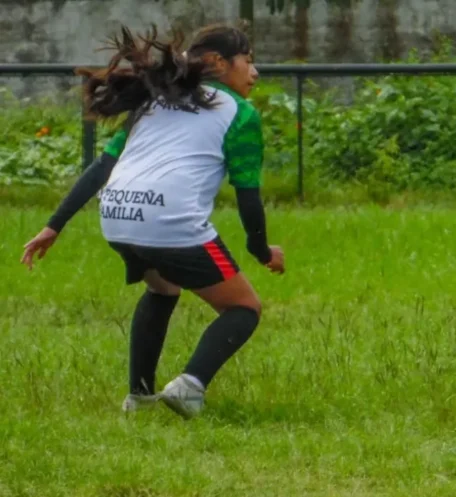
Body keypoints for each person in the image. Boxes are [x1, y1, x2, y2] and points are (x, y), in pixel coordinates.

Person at [20, 23, 284, 420]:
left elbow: (102, 167)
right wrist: (262, 250)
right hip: (170, 219)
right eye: (249, 60)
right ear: (217, 62)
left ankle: (139, 397)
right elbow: (248, 196)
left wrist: (54, 225)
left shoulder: (157, 100)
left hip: (117, 215)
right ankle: (190, 386)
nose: (255, 71)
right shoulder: (239, 113)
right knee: (244, 308)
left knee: (162, 290)